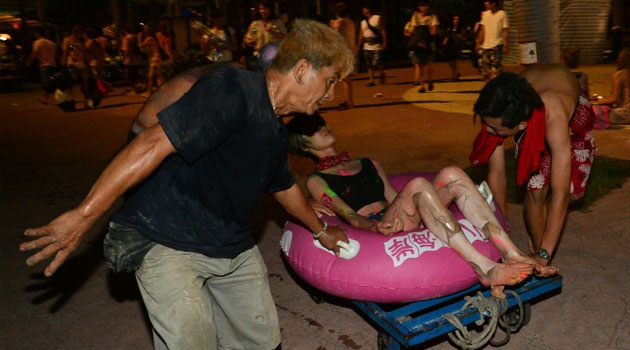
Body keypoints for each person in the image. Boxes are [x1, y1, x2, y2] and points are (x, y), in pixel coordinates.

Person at [20, 19, 352, 350]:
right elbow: (150, 143)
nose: (331, 93)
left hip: (231, 243)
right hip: (168, 238)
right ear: (302, 69)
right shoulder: (232, 89)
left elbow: (282, 185)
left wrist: (322, 231)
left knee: (261, 343)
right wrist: (83, 216)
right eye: (330, 80)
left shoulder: (276, 129)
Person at [286, 113, 557, 298]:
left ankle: (512, 252)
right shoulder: (317, 181)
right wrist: (375, 226)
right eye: (313, 129)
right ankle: (485, 268)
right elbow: (350, 217)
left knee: (452, 173)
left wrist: (409, 205)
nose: (323, 127)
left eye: (321, 122)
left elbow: (394, 198)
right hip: (375, 228)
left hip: (398, 217)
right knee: (417, 184)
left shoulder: (368, 163)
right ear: (304, 144)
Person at [470, 66, 596, 267]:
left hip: (569, 114)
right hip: (532, 104)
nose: (488, 131)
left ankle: (544, 250)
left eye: (494, 129)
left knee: (571, 191)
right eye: (488, 125)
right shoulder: (496, 109)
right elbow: (498, 175)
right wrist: (504, 243)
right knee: (536, 190)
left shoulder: (554, 112)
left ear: (521, 125)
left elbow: (560, 192)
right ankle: (538, 249)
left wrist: (546, 254)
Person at [591, 47, 630, 127]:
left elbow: (615, 99)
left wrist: (598, 102)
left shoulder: (620, 74)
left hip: (624, 113)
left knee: (593, 111)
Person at [404, 1, 438, 91]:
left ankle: (430, 80)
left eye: (426, 6)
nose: (425, 8)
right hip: (418, 42)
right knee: (419, 64)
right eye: (423, 6)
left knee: (429, 63)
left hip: (429, 42)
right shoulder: (415, 17)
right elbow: (413, 29)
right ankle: (422, 85)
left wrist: (431, 32)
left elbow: (434, 30)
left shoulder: (432, 17)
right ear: (419, 7)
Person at [330, 1, 356, 109]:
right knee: (346, 78)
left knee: (344, 78)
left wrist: (332, 25)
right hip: (350, 51)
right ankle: (348, 100)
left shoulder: (340, 22)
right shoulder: (350, 21)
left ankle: (350, 103)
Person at [476, 0, 509, 80]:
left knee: (494, 69)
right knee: (486, 69)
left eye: (487, 2)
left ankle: (496, 85)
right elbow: (482, 29)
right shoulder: (485, 14)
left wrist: (506, 45)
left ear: (493, 3)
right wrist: (478, 43)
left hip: (497, 45)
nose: (485, 3)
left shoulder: (502, 14)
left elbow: (505, 31)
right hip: (486, 46)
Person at [61, 25, 91, 107]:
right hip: (72, 64)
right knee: (72, 84)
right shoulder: (67, 40)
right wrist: (63, 63)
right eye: (81, 33)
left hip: (82, 64)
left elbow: (86, 52)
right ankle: (71, 102)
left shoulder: (82, 41)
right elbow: (65, 52)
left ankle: (87, 102)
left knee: (85, 84)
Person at [358, 4, 386, 86]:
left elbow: (382, 30)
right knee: (369, 63)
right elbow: (361, 34)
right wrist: (359, 44)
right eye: (363, 10)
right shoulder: (363, 22)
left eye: (365, 9)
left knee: (376, 62)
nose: (364, 11)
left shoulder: (377, 18)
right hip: (366, 45)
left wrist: (384, 41)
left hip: (376, 44)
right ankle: (371, 80)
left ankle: (381, 73)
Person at [27, 27, 58, 105]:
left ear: (37, 33)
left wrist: (29, 62)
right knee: (52, 82)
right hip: (53, 64)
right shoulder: (52, 43)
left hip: (44, 65)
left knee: (45, 83)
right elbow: (56, 54)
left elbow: (34, 53)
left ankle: (45, 98)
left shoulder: (37, 42)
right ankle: (56, 97)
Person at [139, 24, 164, 97]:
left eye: (145, 29)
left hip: (154, 59)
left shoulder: (148, 39)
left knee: (151, 76)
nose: (144, 31)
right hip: (155, 58)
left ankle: (149, 92)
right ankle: (167, 89)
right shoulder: (152, 38)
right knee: (158, 76)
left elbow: (140, 46)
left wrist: (139, 37)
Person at [442, 15, 467, 82]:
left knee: (455, 61)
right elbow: (446, 36)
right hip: (450, 45)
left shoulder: (461, 28)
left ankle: (454, 76)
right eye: (454, 19)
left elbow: (465, 38)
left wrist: (460, 36)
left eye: (457, 19)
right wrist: (444, 44)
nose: (456, 21)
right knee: (450, 61)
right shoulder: (449, 28)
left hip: (457, 45)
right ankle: (456, 73)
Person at [121, 25, 143, 92]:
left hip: (130, 59)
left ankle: (134, 88)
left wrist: (125, 58)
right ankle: (137, 87)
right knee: (136, 73)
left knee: (130, 74)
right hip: (137, 57)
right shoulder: (135, 37)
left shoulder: (126, 38)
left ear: (125, 31)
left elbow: (126, 50)